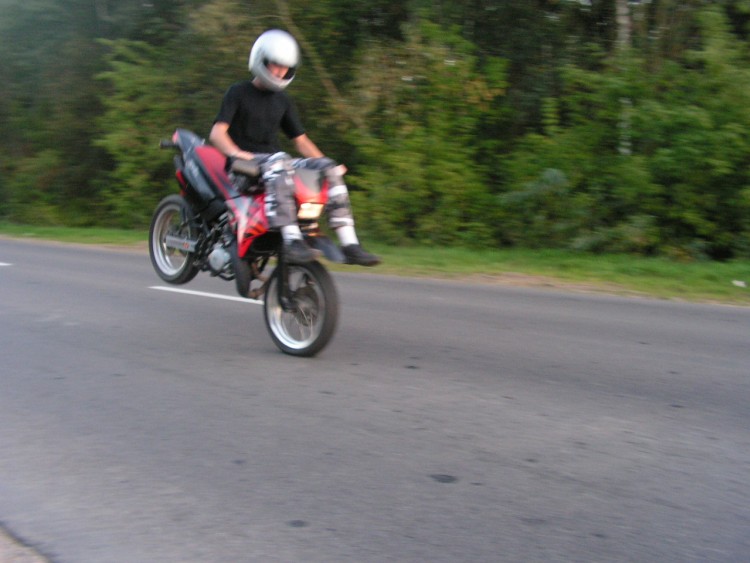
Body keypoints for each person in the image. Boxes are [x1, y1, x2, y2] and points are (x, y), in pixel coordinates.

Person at [209, 29, 380, 266]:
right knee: (280, 161)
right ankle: (291, 241)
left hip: (276, 167)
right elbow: (217, 134)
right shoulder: (238, 92)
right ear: (261, 60)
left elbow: (301, 141)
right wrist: (237, 153)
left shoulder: (283, 101)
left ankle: (350, 243)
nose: (280, 72)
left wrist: (327, 167)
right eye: (275, 65)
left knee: (326, 166)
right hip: (243, 170)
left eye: (285, 67)